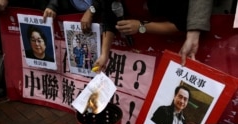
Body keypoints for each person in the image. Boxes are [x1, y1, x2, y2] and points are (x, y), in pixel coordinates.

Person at [80, 0, 213, 72]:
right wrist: (104, 54)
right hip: (138, 55)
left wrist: (142, 26)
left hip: (169, 45)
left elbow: (180, 25)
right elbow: (109, 19)